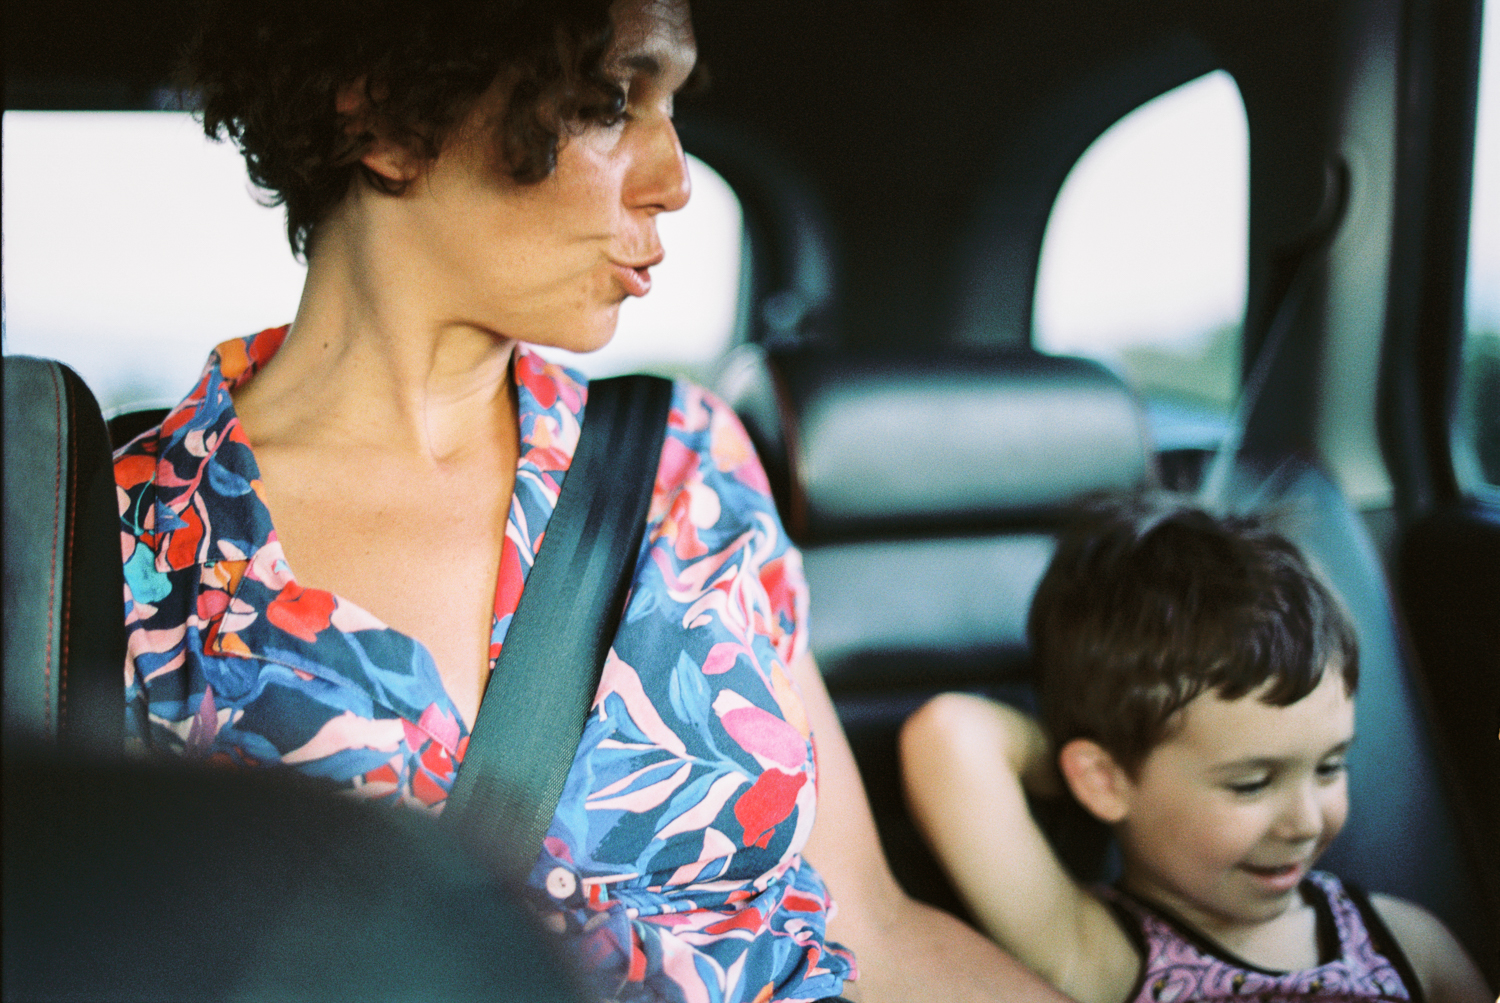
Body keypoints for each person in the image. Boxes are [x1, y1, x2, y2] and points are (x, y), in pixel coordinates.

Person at [112, 2, 1069, 1001]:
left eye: (670, 108)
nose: (675, 181)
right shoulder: (124, 543)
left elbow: (870, 926)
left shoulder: (689, 467)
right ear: (385, 118)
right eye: (611, 101)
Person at [900, 498, 1490, 1003]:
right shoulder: (1097, 955)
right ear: (1103, 781)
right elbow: (951, 734)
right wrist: (1102, 765)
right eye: (1251, 783)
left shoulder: (1405, 941)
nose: (1307, 821)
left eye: (1330, 767)